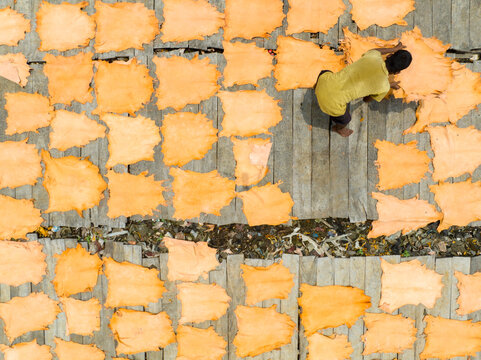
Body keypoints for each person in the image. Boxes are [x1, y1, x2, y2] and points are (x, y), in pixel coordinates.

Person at [315, 43, 412, 137]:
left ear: (390, 55)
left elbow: (376, 51)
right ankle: (338, 128)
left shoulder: (373, 56)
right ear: (398, 72)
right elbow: (366, 100)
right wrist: (388, 85)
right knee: (346, 119)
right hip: (330, 104)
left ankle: (316, 87)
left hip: (323, 83)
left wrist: (394, 49)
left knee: (325, 72)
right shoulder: (384, 87)